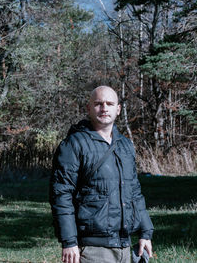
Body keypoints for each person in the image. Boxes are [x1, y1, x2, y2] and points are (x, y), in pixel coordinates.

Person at [50, 86, 154, 263]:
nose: (104, 108)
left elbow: (134, 192)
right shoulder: (74, 145)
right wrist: (69, 242)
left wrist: (145, 233)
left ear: (118, 109)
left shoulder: (125, 146)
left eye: (110, 103)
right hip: (92, 249)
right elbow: (61, 194)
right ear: (88, 108)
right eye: (98, 104)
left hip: (124, 246)